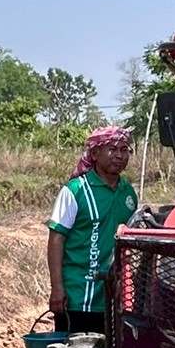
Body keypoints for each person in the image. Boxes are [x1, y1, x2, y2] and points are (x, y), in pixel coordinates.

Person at [47, 126, 138, 334]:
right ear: (95, 153)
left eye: (125, 150)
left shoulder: (128, 192)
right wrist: (57, 288)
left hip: (115, 296)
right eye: (112, 149)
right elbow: (56, 238)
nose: (119, 155)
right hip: (79, 295)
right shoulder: (75, 190)